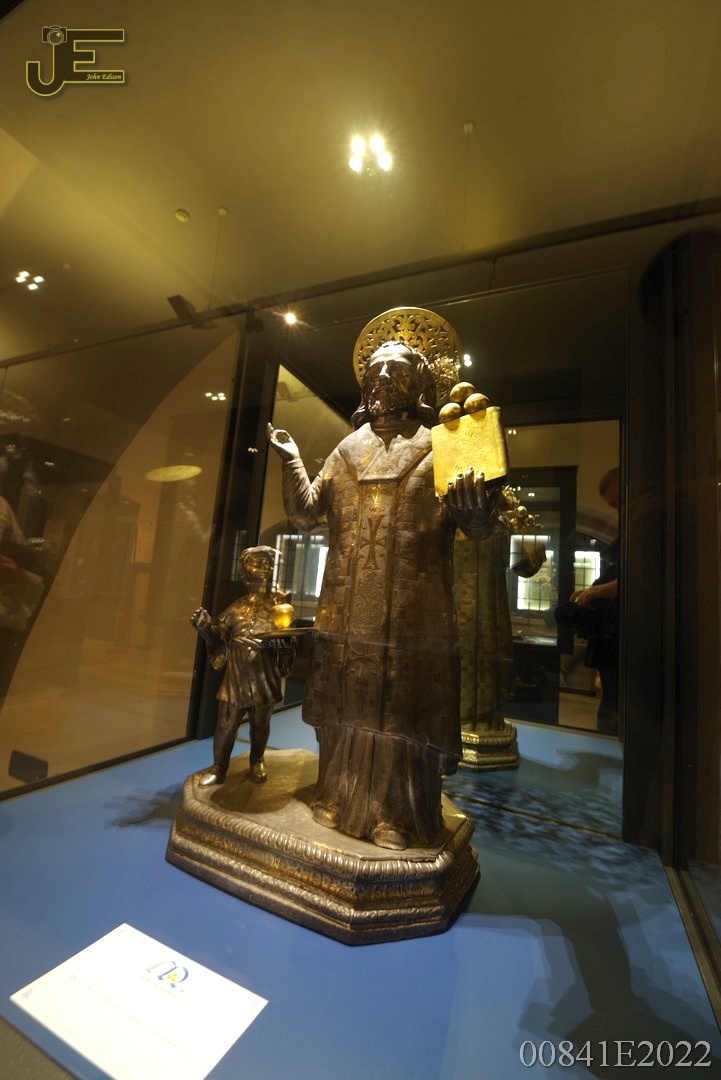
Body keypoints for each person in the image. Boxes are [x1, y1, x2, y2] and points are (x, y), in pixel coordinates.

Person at [267, 340, 497, 850]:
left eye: (395, 370)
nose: (382, 379)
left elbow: (479, 528)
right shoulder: (348, 449)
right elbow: (305, 514)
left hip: (413, 611)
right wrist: (292, 460)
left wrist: (476, 510)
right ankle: (335, 794)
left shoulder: (442, 445)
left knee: (401, 707)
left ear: (420, 384)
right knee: (347, 700)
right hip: (346, 607)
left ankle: (399, 813)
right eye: (374, 371)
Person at [190, 546, 296, 786]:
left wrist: (285, 645)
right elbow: (219, 637)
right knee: (226, 726)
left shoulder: (278, 608)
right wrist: (205, 628)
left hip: (263, 676)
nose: (264, 567)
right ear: (244, 572)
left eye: (267, 563)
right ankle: (219, 768)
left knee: (260, 723)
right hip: (236, 678)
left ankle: (257, 760)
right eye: (257, 563)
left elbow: (289, 639)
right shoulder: (236, 608)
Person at [570, 466, 620, 734]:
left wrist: (595, 593)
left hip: (624, 635)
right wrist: (591, 591)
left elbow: (636, 580)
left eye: (618, 502)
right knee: (611, 695)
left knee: (616, 699)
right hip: (612, 634)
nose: (618, 509)